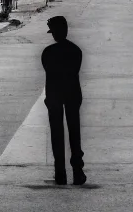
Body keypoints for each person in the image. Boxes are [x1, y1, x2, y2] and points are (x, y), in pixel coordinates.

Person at [41, 15, 86, 186]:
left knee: (57, 134)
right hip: (73, 95)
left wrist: (49, 98)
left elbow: (49, 76)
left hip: (55, 97)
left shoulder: (48, 53)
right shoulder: (76, 51)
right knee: (75, 133)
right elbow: (74, 72)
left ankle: (60, 172)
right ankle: (77, 171)